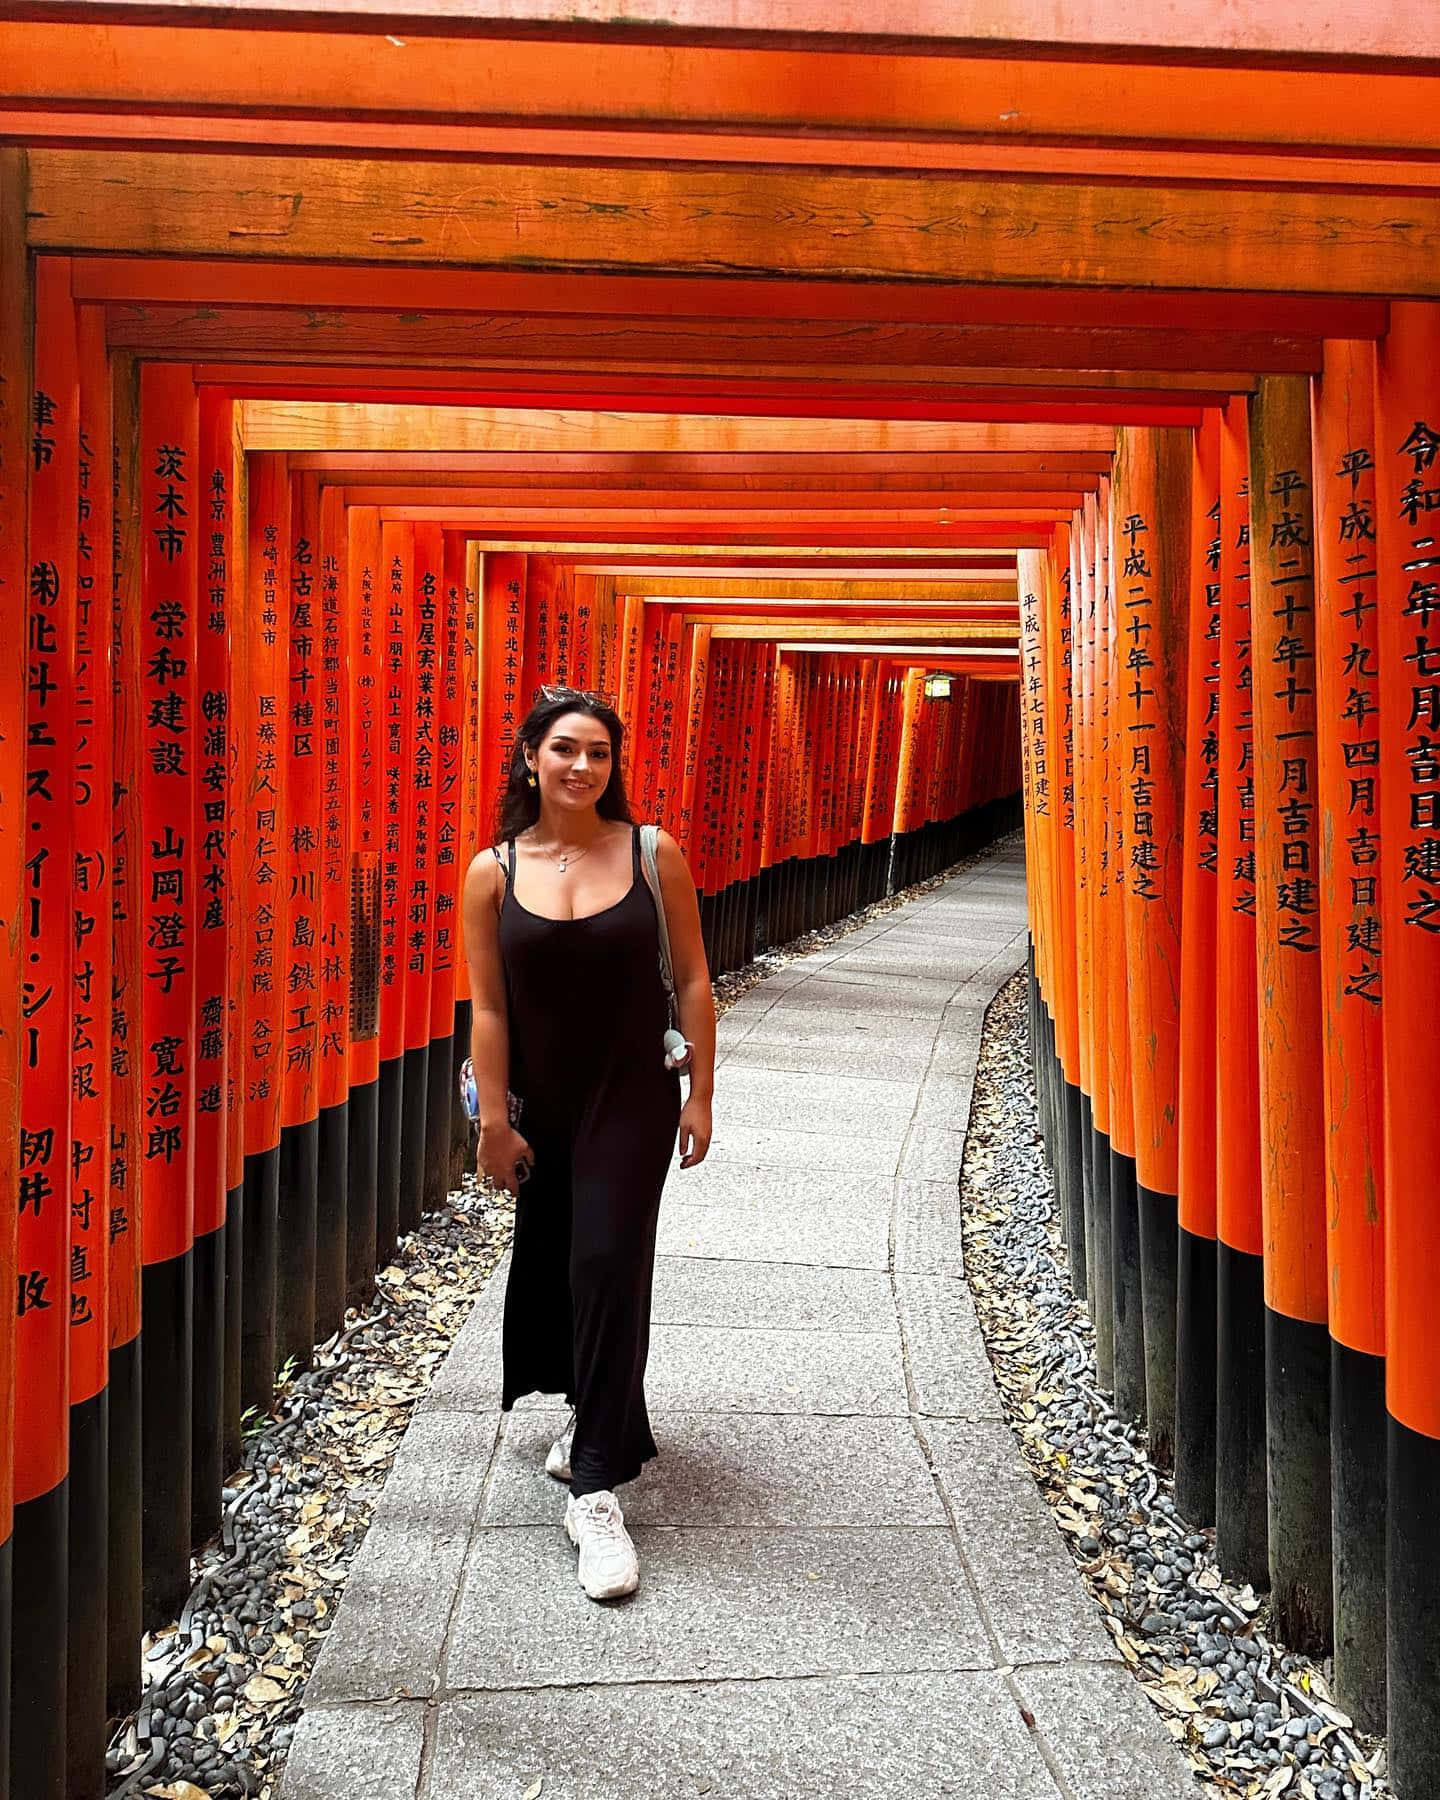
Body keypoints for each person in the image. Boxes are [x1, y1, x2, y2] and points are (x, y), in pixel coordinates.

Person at [461, 684, 716, 1602]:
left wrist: (702, 1096)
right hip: (543, 1104)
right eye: (564, 749)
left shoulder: (652, 855)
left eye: (599, 753)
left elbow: (691, 977)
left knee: (609, 1260)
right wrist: (494, 1121)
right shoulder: (494, 871)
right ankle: (584, 1407)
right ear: (530, 756)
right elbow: (488, 1008)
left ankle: (598, 1487)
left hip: (633, 1098)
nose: (581, 766)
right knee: (558, 1263)